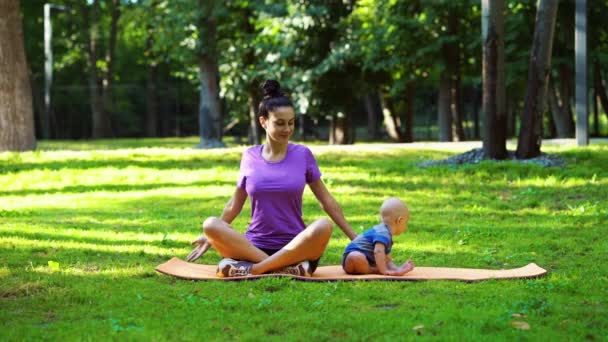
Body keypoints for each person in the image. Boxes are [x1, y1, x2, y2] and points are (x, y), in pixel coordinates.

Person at [187, 79, 357, 277]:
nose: (287, 129)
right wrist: (210, 238)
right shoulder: (249, 156)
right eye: (280, 123)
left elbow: (327, 201)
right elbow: (234, 204)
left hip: (295, 247)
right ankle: (286, 268)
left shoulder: (303, 154)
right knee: (210, 224)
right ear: (263, 122)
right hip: (253, 246)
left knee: (324, 226)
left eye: (291, 123)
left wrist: (355, 238)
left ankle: (254, 269)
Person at [342, 197, 415, 276]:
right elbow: (378, 252)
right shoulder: (383, 233)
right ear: (400, 221)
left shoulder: (385, 233)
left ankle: (375, 269)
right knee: (356, 257)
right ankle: (375, 270)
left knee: (361, 258)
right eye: (406, 223)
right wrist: (384, 271)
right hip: (351, 259)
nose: (406, 227)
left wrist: (397, 268)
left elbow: (386, 259)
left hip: (359, 261)